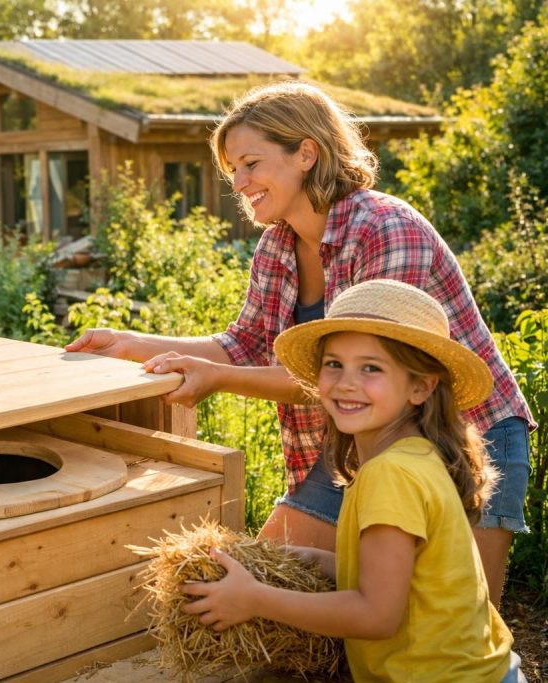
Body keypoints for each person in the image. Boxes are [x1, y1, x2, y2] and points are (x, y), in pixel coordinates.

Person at [65, 81, 534, 606]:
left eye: (250, 164)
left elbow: (361, 374)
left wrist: (217, 379)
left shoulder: (385, 230)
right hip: (362, 445)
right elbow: (242, 344)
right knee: (274, 585)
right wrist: (132, 343)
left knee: (455, 620)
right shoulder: (277, 245)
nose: (239, 184)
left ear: (306, 153)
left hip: (467, 438)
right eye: (233, 172)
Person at [180, 279, 525, 682]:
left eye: (371, 368)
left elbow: (376, 616)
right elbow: (403, 576)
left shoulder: (390, 474)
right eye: (334, 364)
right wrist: (322, 562)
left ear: (421, 386)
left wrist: (255, 600)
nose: (346, 382)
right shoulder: (416, 454)